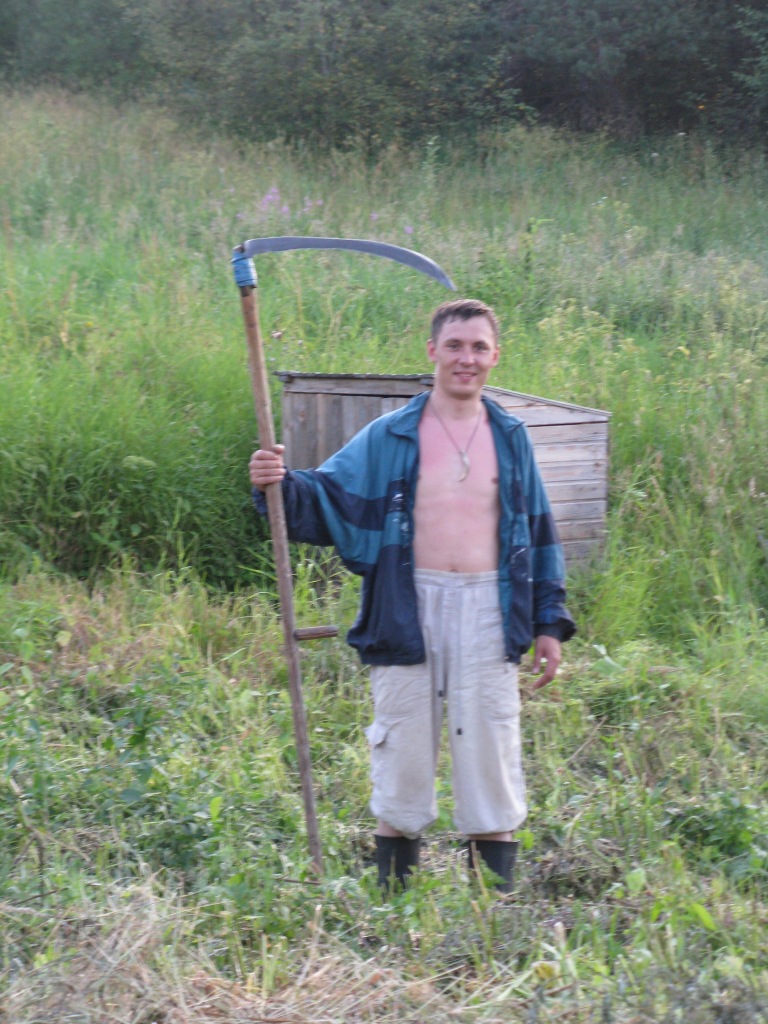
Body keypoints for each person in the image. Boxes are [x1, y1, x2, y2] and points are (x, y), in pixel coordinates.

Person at [249, 298, 575, 893]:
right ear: (432, 351)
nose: (466, 358)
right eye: (454, 346)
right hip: (406, 604)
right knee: (402, 752)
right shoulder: (391, 434)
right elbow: (327, 494)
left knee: (490, 751)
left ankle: (491, 910)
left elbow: (539, 532)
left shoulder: (510, 438)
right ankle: (394, 904)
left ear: (495, 357)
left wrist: (548, 623)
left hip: (490, 608)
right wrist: (279, 484)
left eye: (478, 347)